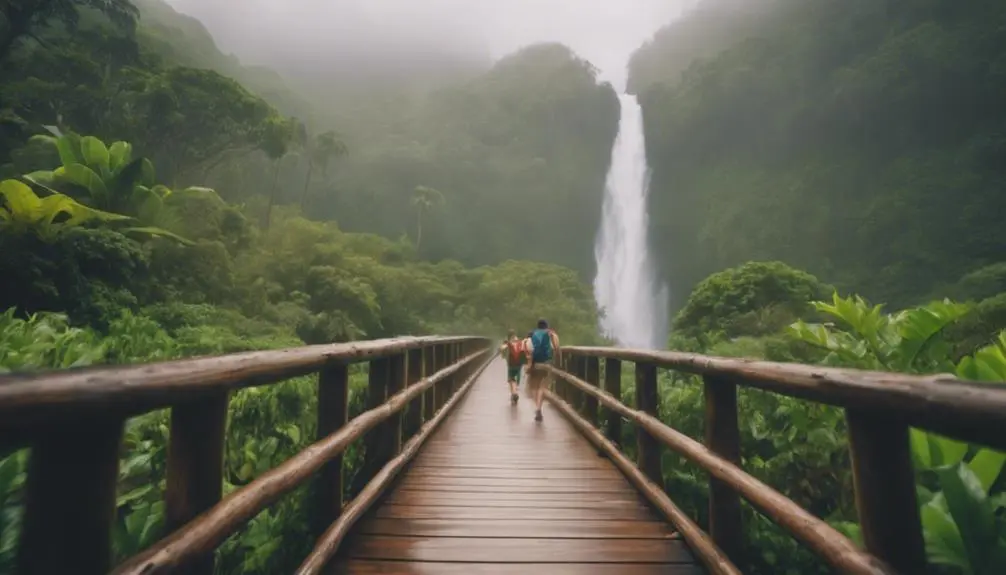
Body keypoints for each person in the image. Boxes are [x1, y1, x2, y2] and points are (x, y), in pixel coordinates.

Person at [526, 319, 560, 422]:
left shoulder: (532, 335)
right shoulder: (550, 334)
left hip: (535, 363)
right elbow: (556, 347)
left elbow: (529, 350)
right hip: (546, 363)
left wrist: (529, 364)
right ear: (546, 326)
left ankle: (537, 407)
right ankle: (539, 408)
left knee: (534, 387)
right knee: (543, 386)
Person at [499, 329, 526, 404]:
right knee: (516, 379)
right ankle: (514, 394)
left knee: (511, 379)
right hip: (519, 364)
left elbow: (502, 350)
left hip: (511, 364)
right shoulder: (519, 341)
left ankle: (514, 394)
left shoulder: (507, 342)